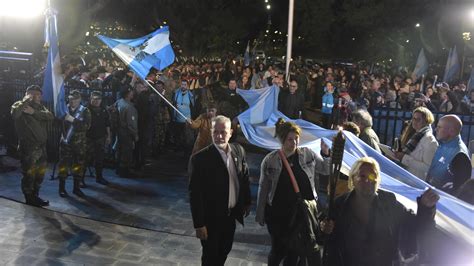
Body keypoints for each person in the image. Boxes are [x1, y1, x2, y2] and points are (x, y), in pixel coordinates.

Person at [321, 157, 439, 266]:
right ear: (353, 178)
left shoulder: (389, 202)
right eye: (362, 176)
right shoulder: (339, 205)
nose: (368, 180)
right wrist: (324, 230)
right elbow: (323, 239)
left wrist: (426, 207)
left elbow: (416, 225)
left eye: (373, 176)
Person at [256, 118, 330, 266]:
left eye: (296, 139)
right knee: (278, 250)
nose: (294, 142)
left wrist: (326, 154)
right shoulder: (271, 160)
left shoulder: (307, 154)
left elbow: (326, 169)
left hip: (302, 213)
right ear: (282, 140)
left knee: (297, 252)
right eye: (290, 139)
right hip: (279, 214)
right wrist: (260, 213)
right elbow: (263, 188)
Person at [189, 115, 251, 266]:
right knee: (210, 256)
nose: (219, 136)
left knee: (224, 251)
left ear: (231, 132)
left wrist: (247, 202)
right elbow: (195, 194)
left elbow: (244, 178)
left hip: (230, 216)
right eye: (215, 132)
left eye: (223, 132)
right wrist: (199, 224)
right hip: (211, 218)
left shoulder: (239, 151)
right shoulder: (200, 159)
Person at [11, 85, 54, 206]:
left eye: (38, 95)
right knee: (29, 174)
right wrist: (25, 101)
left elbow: (50, 116)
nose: (36, 97)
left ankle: (35, 195)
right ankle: (29, 197)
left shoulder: (40, 107)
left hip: (41, 147)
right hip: (28, 147)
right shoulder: (19, 105)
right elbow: (15, 114)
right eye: (32, 94)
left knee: (40, 173)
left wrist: (34, 112)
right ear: (26, 94)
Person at [57, 90, 91, 197]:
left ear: (79, 100)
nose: (73, 102)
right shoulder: (63, 110)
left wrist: (73, 120)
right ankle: (61, 188)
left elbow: (86, 127)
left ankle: (76, 188)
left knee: (78, 166)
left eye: (75, 99)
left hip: (79, 145)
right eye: (71, 99)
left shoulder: (85, 111)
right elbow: (56, 123)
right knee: (63, 166)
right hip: (65, 144)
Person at [426, 115, 470, 192]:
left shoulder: (460, 154)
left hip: (440, 199)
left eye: (439, 127)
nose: (436, 129)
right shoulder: (443, 143)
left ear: (451, 131)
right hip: (430, 192)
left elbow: (459, 188)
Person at [393, 107, 438, 180]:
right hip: (406, 177)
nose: (414, 121)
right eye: (413, 118)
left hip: (415, 181)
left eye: (418, 119)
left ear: (426, 121)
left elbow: (427, 168)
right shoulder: (415, 135)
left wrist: (404, 158)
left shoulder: (430, 141)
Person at [86, 91, 111, 185]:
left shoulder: (103, 110)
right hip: (88, 138)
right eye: (94, 99)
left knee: (99, 159)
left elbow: (107, 124)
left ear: (101, 100)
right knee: (85, 159)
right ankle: (80, 180)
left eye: (98, 99)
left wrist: (108, 136)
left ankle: (99, 177)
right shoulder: (86, 109)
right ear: (90, 99)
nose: (96, 101)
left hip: (100, 138)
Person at [116, 87, 139, 178]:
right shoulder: (129, 107)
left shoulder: (119, 102)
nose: (132, 93)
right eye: (131, 92)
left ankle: (119, 169)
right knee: (127, 153)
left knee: (120, 151)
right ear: (127, 94)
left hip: (120, 131)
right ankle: (125, 171)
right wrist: (135, 135)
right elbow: (131, 124)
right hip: (127, 133)